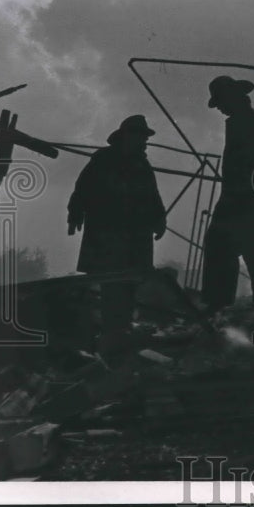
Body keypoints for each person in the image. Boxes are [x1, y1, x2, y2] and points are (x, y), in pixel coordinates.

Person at [67, 114, 166, 345]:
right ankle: (113, 331)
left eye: (144, 137)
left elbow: (153, 195)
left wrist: (159, 220)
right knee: (111, 283)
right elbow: (82, 189)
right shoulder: (103, 159)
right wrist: (75, 214)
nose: (144, 142)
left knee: (129, 283)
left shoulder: (142, 165)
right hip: (107, 235)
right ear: (126, 136)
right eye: (140, 136)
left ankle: (121, 329)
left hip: (135, 236)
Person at [201, 75, 254, 317]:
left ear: (232, 97)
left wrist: (235, 198)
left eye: (221, 102)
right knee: (251, 251)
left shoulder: (246, 123)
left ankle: (227, 305)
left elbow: (249, 168)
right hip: (247, 199)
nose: (220, 108)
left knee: (243, 250)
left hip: (246, 200)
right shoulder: (245, 121)